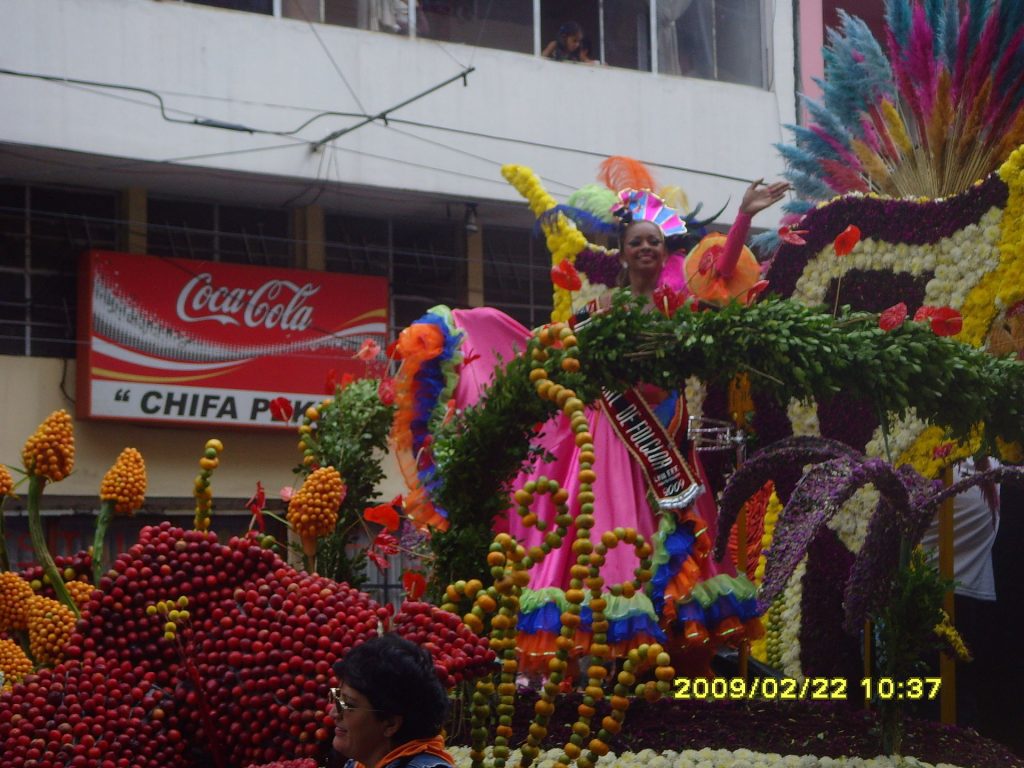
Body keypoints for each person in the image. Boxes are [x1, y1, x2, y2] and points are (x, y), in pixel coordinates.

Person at [393, 159, 788, 678]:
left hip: (668, 436)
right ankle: (612, 644)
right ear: (623, 255)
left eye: (654, 241)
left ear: (666, 252)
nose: (646, 248)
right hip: (612, 441)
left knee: (674, 535)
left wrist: (742, 217)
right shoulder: (598, 317)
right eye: (636, 242)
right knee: (618, 537)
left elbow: (720, 274)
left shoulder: (678, 308)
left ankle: (672, 645)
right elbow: (551, 355)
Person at [330, 635, 453, 768]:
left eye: (348, 704)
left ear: (390, 723)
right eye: (337, 697)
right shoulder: (358, 764)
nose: (333, 713)